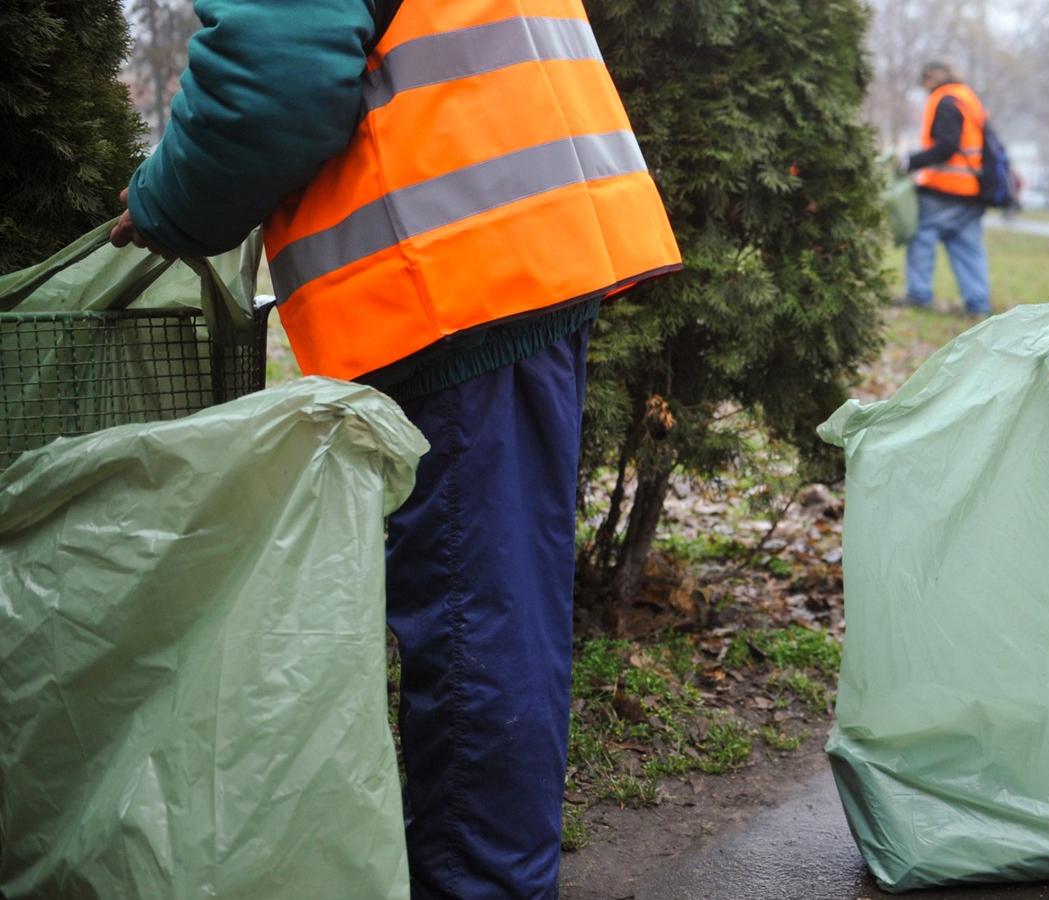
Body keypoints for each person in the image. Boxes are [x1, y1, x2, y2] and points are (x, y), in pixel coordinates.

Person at [109, 1, 682, 897]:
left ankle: (482, 885)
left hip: (456, 268)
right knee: (502, 616)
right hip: (511, 242)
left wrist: (165, 202)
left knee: (474, 625)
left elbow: (278, 71)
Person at [899, 61, 991, 317]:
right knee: (967, 245)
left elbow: (947, 146)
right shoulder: (967, 97)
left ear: (930, 78)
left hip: (944, 188)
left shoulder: (946, 100)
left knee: (922, 237)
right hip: (972, 189)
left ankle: (918, 294)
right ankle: (978, 303)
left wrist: (911, 161)